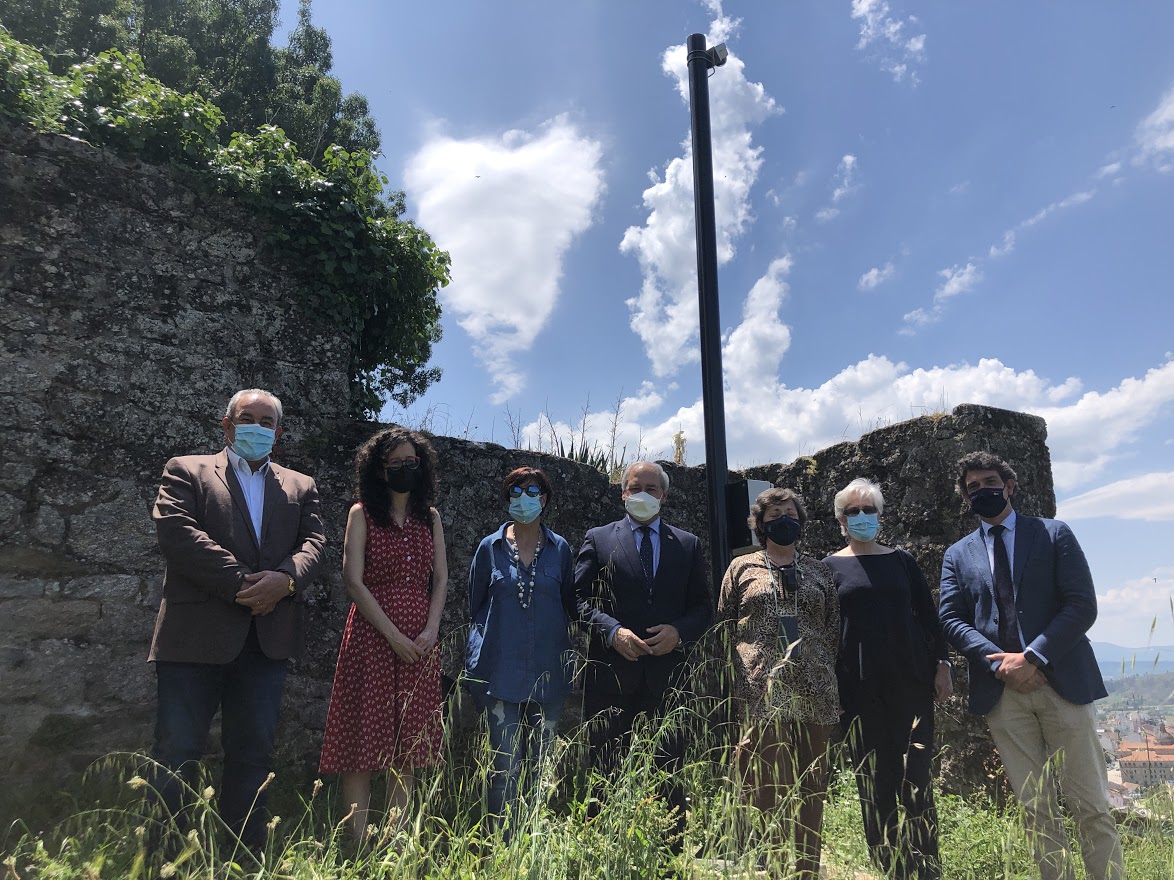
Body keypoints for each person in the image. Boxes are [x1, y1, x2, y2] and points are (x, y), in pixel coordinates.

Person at [148, 388, 326, 850]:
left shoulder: (300, 485)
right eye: (248, 419)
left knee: (252, 755)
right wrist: (244, 585)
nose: (257, 428)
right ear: (226, 425)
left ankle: (243, 856)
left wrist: (285, 581)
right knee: (176, 751)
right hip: (193, 640)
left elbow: (314, 545)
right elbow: (177, 533)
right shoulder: (186, 470)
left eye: (267, 423)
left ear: (278, 434)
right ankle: (165, 858)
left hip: (265, 643)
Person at [938, 452, 1123, 880]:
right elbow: (951, 618)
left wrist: (1032, 656)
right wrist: (1001, 664)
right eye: (972, 487)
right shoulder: (958, 554)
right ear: (965, 498)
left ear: (1009, 486)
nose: (982, 491)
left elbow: (1081, 604)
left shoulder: (1053, 534)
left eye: (990, 482)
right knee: (1035, 808)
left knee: (1091, 804)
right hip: (1003, 693)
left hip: (1063, 684)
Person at [318, 426, 448, 844]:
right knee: (361, 741)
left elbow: (441, 579)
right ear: (379, 469)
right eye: (396, 463)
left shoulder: (430, 518)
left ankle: (396, 842)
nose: (405, 468)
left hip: (420, 640)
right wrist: (393, 635)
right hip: (372, 637)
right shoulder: (362, 514)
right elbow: (352, 581)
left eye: (412, 461)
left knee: (405, 746)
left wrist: (431, 629)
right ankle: (358, 842)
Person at [574, 460, 712, 848]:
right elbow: (578, 599)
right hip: (610, 677)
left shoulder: (687, 544)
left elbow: (703, 606)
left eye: (651, 489)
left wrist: (679, 632)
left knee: (669, 771)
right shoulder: (599, 538)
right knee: (605, 771)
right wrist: (612, 631)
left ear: (664, 496)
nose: (643, 495)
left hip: (668, 678)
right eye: (635, 488)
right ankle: (604, 852)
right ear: (623, 493)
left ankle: (668, 857)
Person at [823, 478, 952, 880]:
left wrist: (943, 664)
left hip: (910, 683)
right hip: (858, 690)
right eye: (853, 511)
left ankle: (926, 867)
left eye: (869, 510)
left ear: (880, 516)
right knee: (874, 781)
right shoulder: (828, 568)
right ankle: (890, 867)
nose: (862, 516)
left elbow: (929, 618)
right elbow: (824, 632)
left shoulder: (902, 561)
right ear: (841, 520)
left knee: (917, 777)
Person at [717, 487, 839, 879]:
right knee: (765, 782)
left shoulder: (820, 570)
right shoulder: (741, 567)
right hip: (761, 691)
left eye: (790, 513)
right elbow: (723, 624)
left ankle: (806, 868)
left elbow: (832, 627)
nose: (783, 520)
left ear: (800, 521)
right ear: (760, 524)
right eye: (774, 515)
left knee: (812, 782)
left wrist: (818, 663)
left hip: (816, 690)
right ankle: (768, 864)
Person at [465, 467, 576, 839]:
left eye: (532, 491)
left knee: (541, 769)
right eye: (516, 491)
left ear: (544, 499)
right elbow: (476, 604)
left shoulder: (560, 549)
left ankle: (533, 844)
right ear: (507, 498)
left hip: (548, 672)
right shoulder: (490, 547)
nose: (524, 497)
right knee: (504, 768)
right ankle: (502, 846)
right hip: (500, 672)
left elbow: (569, 603)